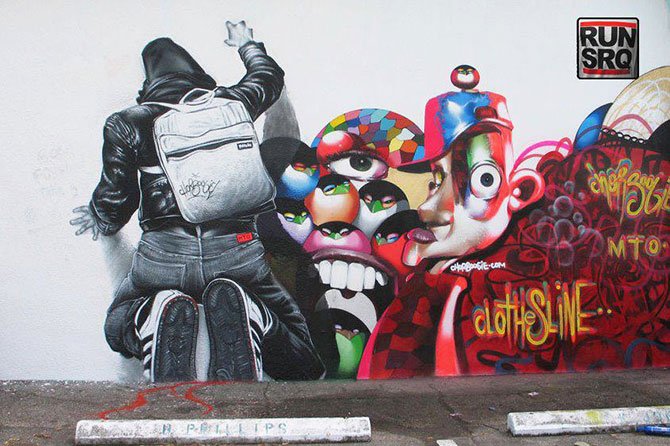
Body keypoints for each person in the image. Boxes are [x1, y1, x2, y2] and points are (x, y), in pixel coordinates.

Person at [70, 21, 324, 383]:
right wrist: (247, 44)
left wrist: (100, 218)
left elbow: (117, 198)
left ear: (147, 88)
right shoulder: (234, 102)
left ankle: (151, 315)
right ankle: (255, 313)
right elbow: (269, 77)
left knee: (117, 322)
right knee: (302, 357)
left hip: (163, 256)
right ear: (199, 77)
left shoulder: (127, 123)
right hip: (238, 252)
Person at [357, 66, 545, 379]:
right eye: (436, 181)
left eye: (483, 179)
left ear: (520, 190)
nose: (429, 207)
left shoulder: (473, 286)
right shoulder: (430, 279)